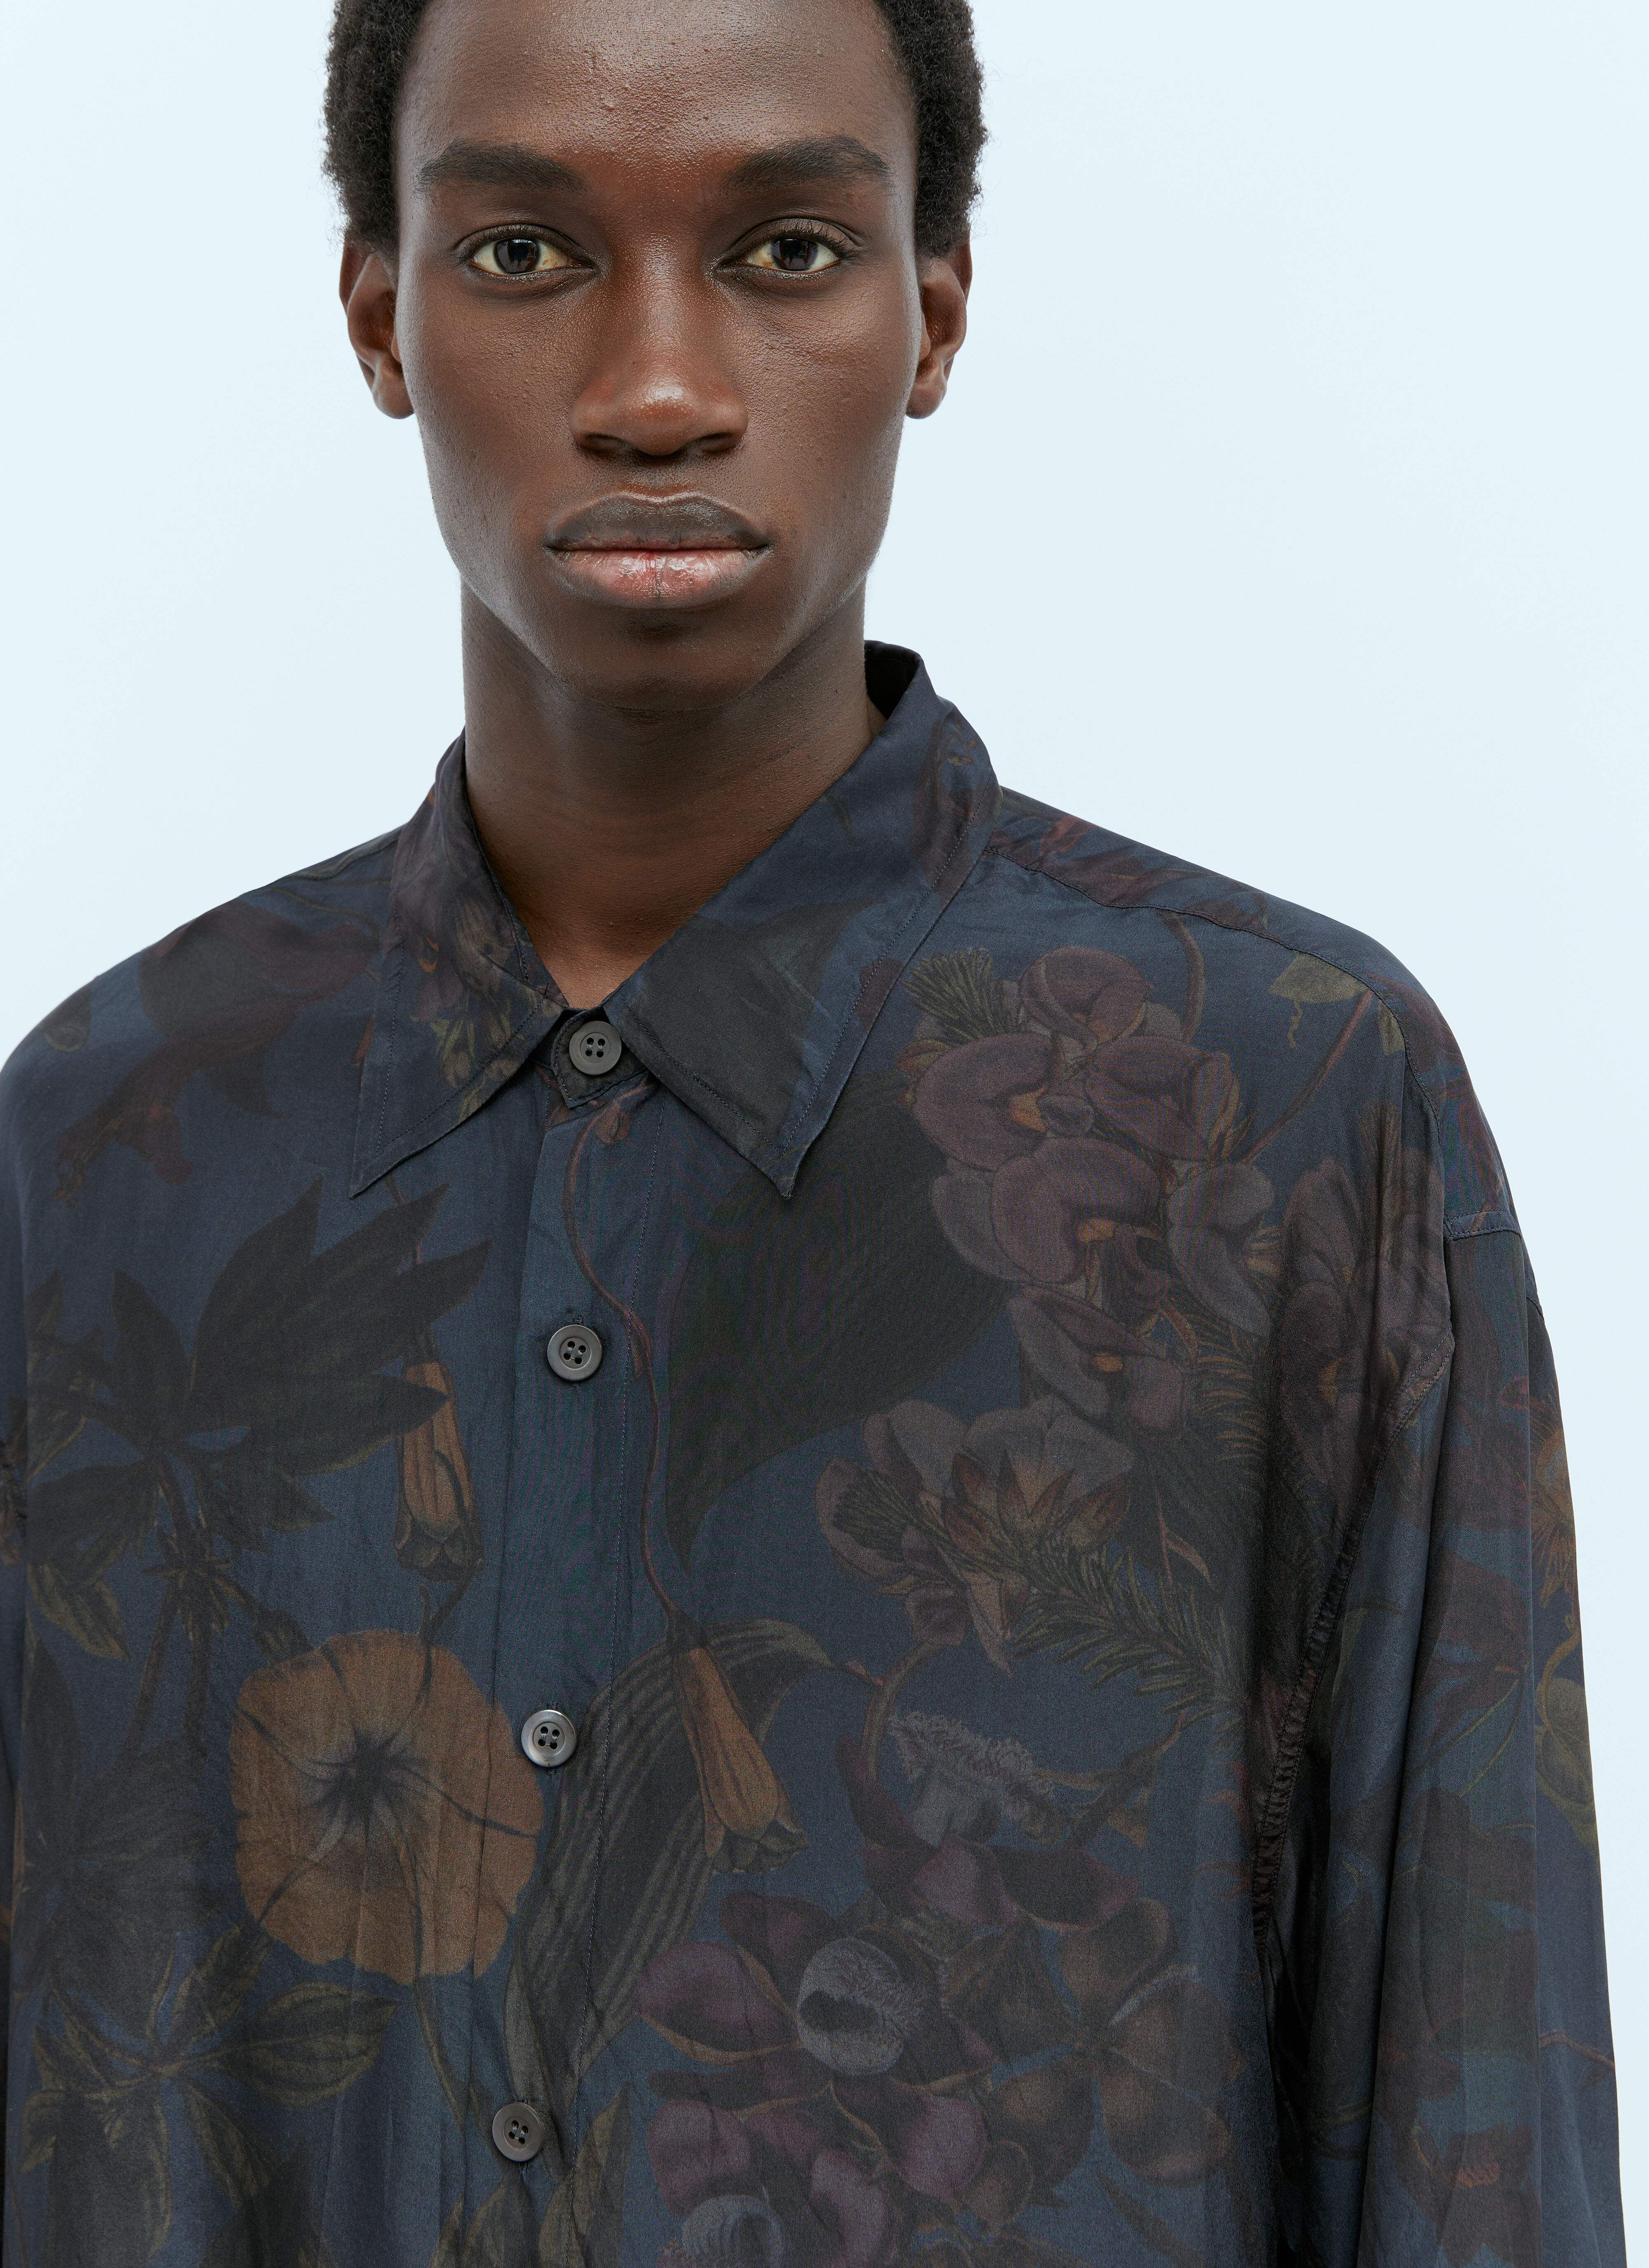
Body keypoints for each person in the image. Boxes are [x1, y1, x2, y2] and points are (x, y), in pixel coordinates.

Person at [0, 0, 1624, 2258]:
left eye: (784, 249)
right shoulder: (104, 1161)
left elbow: (1472, 2125)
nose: (659, 390)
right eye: (523, 253)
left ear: (932, 308)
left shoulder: (1283, 1123)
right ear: (377, 311)